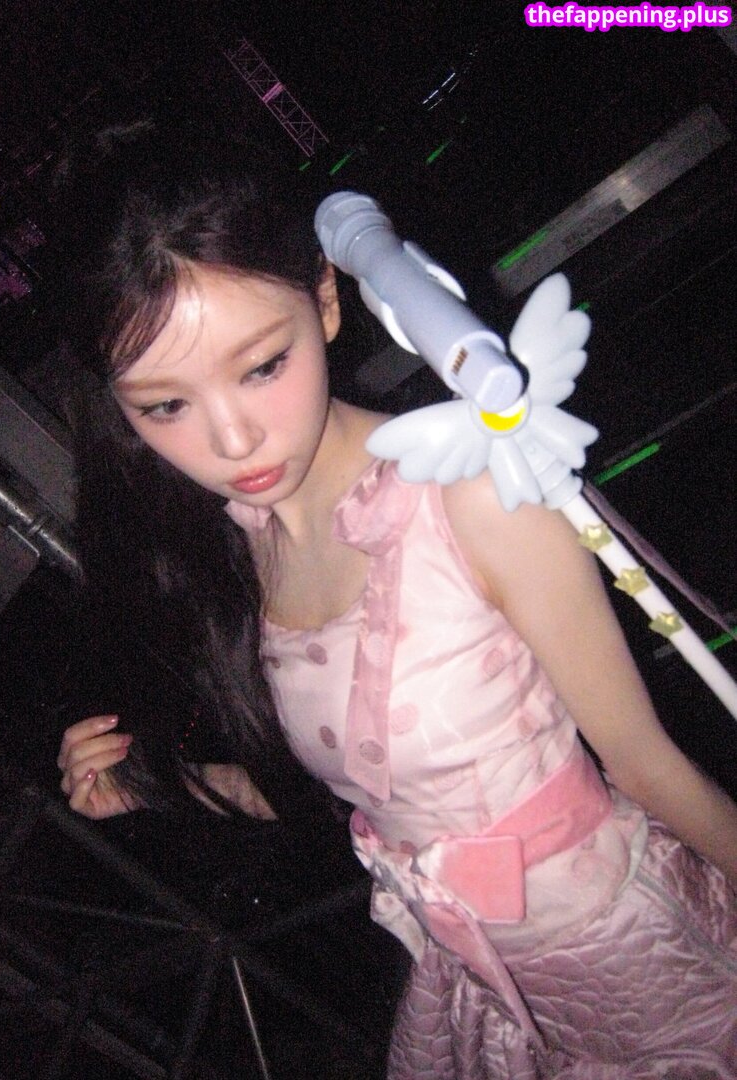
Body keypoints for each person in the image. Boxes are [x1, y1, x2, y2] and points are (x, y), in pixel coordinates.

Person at [55, 123, 737, 1078]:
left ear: (327, 301)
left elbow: (646, 762)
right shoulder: (244, 551)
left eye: (262, 365)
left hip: (631, 959)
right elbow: (361, 796)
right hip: (481, 992)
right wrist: (157, 787)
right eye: (166, 405)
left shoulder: (469, 495)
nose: (234, 439)